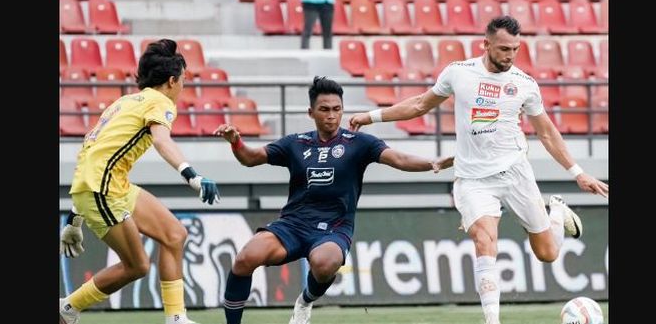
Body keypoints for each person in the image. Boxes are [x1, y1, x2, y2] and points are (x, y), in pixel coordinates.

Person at [349, 16, 609, 324]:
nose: (509, 56)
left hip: (515, 173)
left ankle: (556, 213)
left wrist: (578, 172)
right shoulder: (459, 74)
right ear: (485, 44)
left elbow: (547, 132)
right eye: (503, 49)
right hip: (474, 178)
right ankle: (492, 321)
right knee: (485, 240)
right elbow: (419, 104)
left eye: (515, 49)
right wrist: (371, 116)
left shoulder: (525, 85)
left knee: (548, 254)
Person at [214, 76, 453, 324]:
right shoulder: (296, 143)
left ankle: (305, 300)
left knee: (325, 262)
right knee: (245, 259)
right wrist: (236, 141)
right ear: (311, 112)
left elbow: (400, 160)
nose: (331, 115)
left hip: (333, 228)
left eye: (337, 109)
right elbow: (251, 158)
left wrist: (431, 163)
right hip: (292, 225)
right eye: (324, 109)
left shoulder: (359, 143)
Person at [59, 39, 220, 324]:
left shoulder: (123, 103)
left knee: (175, 235)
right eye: (183, 80)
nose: (184, 86)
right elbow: (161, 140)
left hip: (109, 185)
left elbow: (90, 156)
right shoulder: (161, 102)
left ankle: (176, 318)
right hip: (103, 190)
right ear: (172, 81)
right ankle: (68, 307)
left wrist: (75, 218)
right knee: (137, 266)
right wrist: (191, 174)